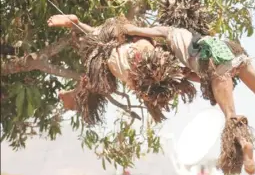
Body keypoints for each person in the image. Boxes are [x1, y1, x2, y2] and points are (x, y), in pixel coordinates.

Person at [122, 23, 255, 175]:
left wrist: (132, 29)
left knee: (230, 113)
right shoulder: (188, 42)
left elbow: (156, 31)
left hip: (216, 62)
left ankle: (244, 144)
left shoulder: (171, 34)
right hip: (232, 52)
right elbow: (199, 77)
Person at [47, 14, 197, 124]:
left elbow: (100, 34)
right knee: (94, 78)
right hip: (122, 58)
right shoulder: (147, 46)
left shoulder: (158, 54)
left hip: (124, 62)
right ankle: (76, 23)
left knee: (94, 77)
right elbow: (116, 32)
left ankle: (76, 23)